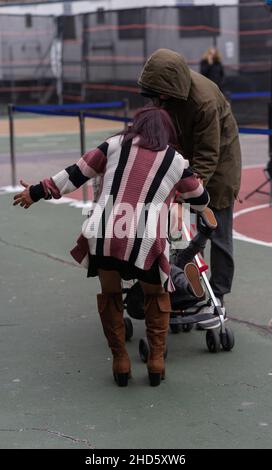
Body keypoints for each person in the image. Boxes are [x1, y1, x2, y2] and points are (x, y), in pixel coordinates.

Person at [13, 106, 210, 388]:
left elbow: (75, 173)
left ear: (136, 125)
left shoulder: (114, 144)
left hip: (105, 233)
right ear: (167, 131)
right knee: (155, 296)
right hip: (146, 240)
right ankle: (156, 361)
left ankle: (120, 361)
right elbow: (200, 200)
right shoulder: (175, 161)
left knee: (111, 294)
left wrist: (35, 192)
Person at [138, 49, 242, 318]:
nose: (156, 101)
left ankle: (217, 295)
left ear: (170, 89)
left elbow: (209, 154)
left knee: (216, 228)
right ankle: (181, 285)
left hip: (219, 165)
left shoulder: (203, 101)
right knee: (170, 229)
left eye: (159, 96)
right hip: (184, 157)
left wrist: (189, 190)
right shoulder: (165, 91)